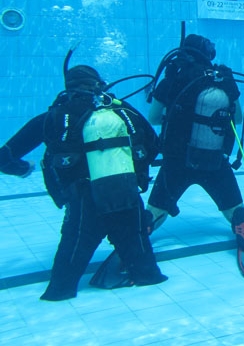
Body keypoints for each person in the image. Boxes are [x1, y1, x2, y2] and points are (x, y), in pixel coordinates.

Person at [0, 59, 166, 301]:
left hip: (83, 205)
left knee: (61, 286)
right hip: (126, 198)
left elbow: (4, 158)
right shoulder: (123, 111)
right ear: (99, 85)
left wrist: (23, 168)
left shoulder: (53, 118)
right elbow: (154, 145)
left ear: (68, 88)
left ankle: (62, 297)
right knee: (148, 275)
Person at [146, 34, 244, 230]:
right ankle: (243, 224)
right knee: (235, 212)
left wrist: (175, 114)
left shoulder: (172, 80)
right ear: (209, 54)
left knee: (155, 213)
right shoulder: (222, 80)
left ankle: (143, 230)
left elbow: (153, 118)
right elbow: (238, 118)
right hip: (214, 161)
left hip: (176, 162)